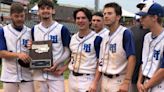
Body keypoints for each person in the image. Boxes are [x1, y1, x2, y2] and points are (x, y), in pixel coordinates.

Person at [31, 0, 71, 92]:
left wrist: (56, 63)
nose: (45, 10)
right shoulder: (34, 29)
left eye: (48, 8)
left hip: (56, 74)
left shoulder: (61, 29)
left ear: (53, 11)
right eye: (42, 8)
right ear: (38, 11)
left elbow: (67, 51)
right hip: (39, 75)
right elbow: (33, 50)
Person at [98, 2, 136, 92]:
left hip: (119, 80)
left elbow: (132, 58)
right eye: (104, 14)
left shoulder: (125, 33)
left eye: (110, 13)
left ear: (118, 17)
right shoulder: (105, 36)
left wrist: (126, 82)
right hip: (104, 78)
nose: (106, 16)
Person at [0, 3, 34, 92]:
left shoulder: (31, 32)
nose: (20, 19)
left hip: (27, 75)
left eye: (22, 16)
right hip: (9, 76)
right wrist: (18, 55)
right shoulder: (3, 31)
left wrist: (34, 47)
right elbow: (1, 53)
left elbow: (38, 52)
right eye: (16, 16)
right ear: (11, 16)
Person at [68, 8, 102, 92]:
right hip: (72, 77)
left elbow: (100, 63)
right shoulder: (73, 38)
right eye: (78, 18)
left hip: (87, 79)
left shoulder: (97, 39)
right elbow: (71, 57)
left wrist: (95, 82)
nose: (80, 20)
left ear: (90, 21)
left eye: (83, 18)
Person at [136, 2, 164, 92]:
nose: (140, 19)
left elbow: (163, 70)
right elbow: (143, 62)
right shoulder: (147, 37)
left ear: (154, 18)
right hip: (145, 82)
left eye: (144, 17)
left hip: (160, 85)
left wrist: (147, 86)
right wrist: (139, 81)